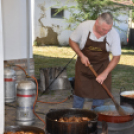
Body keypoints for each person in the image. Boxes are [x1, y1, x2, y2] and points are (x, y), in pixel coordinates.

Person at [69, 12, 121, 109]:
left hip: (102, 67)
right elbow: (72, 40)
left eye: (108, 30)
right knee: (79, 94)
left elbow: (117, 56)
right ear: (97, 23)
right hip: (83, 67)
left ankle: (96, 120)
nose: (106, 33)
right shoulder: (84, 27)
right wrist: (81, 55)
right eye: (104, 29)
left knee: (99, 97)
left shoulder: (113, 34)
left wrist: (105, 73)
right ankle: (75, 118)